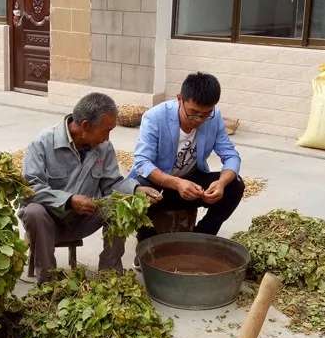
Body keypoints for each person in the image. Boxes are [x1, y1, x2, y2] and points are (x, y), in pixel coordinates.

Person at [21, 92, 160, 282]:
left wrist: (136, 190)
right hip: (49, 222)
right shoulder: (43, 143)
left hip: (83, 218)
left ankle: (109, 274)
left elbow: (112, 183)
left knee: (120, 206)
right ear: (85, 125)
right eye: (106, 130)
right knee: (33, 211)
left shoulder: (104, 147)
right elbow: (30, 188)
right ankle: (47, 281)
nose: (107, 137)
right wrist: (69, 200)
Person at [130, 72, 244, 239]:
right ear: (180, 99)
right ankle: (147, 245)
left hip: (190, 184)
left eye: (206, 114)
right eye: (193, 112)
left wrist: (221, 183)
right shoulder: (155, 117)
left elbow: (231, 155)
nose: (199, 119)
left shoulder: (214, 117)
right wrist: (177, 183)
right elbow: (142, 162)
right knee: (139, 191)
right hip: (158, 185)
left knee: (235, 185)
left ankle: (201, 237)